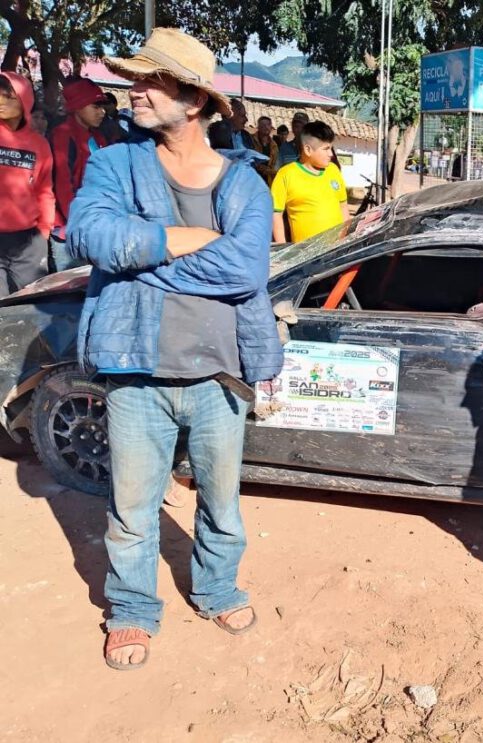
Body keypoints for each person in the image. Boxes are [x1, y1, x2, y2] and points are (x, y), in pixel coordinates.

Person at [65, 27, 283, 671]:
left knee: (221, 502)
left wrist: (140, 255)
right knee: (132, 508)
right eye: (134, 78)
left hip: (220, 374)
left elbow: (246, 272)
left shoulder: (243, 183)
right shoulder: (116, 163)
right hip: (137, 370)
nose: (133, 90)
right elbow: (87, 234)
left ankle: (216, 588)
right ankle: (131, 609)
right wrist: (184, 238)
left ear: (193, 100)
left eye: (149, 80)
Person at [0, 72, 54, 296]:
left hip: (29, 242)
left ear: (25, 102)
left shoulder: (39, 144)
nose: (1, 102)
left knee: (33, 305)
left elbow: (44, 191)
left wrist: (44, 231)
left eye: (9, 97)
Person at [271, 121, 349, 244]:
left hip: (336, 252)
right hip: (306, 255)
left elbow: (343, 206)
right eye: (326, 149)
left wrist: (344, 239)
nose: (331, 154)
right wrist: (282, 247)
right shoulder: (286, 174)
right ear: (308, 150)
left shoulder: (333, 170)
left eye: (331, 148)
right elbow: (276, 215)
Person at [50, 77, 107, 236]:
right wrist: (75, 221)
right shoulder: (63, 135)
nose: (102, 112)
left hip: (92, 219)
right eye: (95, 106)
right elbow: (63, 183)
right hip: (69, 224)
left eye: (102, 107)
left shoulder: (98, 137)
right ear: (77, 107)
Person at [252, 115, 278, 184]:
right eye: (263, 125)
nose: (266, 127)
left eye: (268, 125)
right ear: (258, 127)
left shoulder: (274, 145)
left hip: (267, 181)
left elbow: (275, 165)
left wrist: (267, 170)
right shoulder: (251, 139)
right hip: (252, 178)